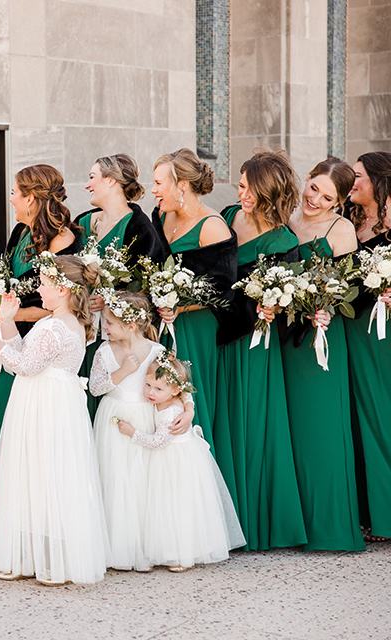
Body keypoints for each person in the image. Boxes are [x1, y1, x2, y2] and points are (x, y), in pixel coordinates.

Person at [0, 255, 107, 585]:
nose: (38, 288)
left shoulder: (56, 326)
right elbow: (22, 352)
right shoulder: (63, 322)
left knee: (39, 473)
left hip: (44, 403)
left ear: (62, 289)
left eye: (44, 283)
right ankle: (29, 555)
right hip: (47, 400)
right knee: (40, 474)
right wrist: (7, 320)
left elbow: (24, 365)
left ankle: (47, 561)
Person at [0, 164, 82, 549]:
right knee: (5, 431)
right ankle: (5, 525)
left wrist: (7, 314)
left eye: (16, 192)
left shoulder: (65, 241)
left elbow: (57, 306)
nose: (11, 198)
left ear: (32, 198)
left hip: (43, 350)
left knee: (37, 444)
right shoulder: (20, 233)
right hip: (12, 340)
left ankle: (40, 532)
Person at [211, 150, 307, 551]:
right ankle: (220, 518)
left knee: (251, 420)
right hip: (218, 330)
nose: (240, 192)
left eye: (247, 186)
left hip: (254, 340)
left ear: (267, 190)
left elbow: (288, 292)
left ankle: (253, 521)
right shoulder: (229, 216)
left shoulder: (284, 239)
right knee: (221, 417)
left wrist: (277, 305)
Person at [281, 158, 364, 552]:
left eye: (327, 196)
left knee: (322, 428)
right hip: (281, 336)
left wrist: (324, 308)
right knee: (290, 429)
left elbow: (347, 288)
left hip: (319, 340)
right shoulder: (286, 218)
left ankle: (328, 527)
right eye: (313, 187)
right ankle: (292, 524)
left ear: (340, 201)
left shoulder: (341, 229)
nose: (315, 199)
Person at [89, 290, 193, 571]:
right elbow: (95, 388)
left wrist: (189, 408)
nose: (105, 328)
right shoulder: (104, 351)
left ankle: (147, 548)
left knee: (143, 480)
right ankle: (119, 548)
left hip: (145, 419)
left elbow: (177, 384)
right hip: (114, 417)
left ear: (130, 325)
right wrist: (122, 371)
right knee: (115, 476)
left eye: (109, 323)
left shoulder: (156, 351)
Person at [116, 352, 245, 572]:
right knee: (167, 506)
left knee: (178, 505)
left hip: (176, 461)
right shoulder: (168, 398)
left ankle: (184, 555)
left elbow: (158, 441)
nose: (150, 392)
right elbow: (186, 393)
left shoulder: (170, 413)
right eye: (147, 385)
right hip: (170, 458)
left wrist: (132, 433)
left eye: (158, 389)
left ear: (174, 390)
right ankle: (170, 551)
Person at [151, 148, 236, 452]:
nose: (153, 190)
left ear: (181, 186)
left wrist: (180, 305)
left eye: (159, 183)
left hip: (196, 326)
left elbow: (224, 289)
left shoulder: (211, 225)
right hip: (162, 321)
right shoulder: (161, 216)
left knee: (188, 399)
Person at [76, 154, 168, 417]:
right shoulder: (84, 223)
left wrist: (112, 300)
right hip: (80, 327)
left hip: (111, 333)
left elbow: (149, 286)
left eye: (92, 177)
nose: (86, 185)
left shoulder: (141, 230)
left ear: (112, 181)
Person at [345, 151, 391, 543]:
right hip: (348, 330)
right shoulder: (347, 223)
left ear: (378, 182)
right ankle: (366, 510)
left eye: (358, 176)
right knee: (356, 417)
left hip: (381, 335)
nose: (351, 181)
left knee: (381, 413)